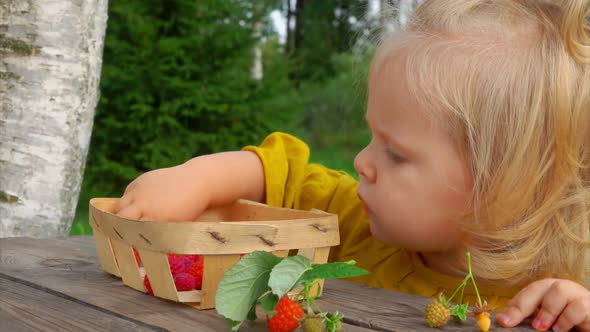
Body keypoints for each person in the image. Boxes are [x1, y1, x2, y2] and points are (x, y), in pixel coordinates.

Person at [113, 0, 590, 330]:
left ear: (506, 183)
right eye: (372, 136)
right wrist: (197, 176)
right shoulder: (352, 220)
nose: (362, 161)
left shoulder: (547, 301)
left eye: (396, 152)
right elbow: (286, 173)